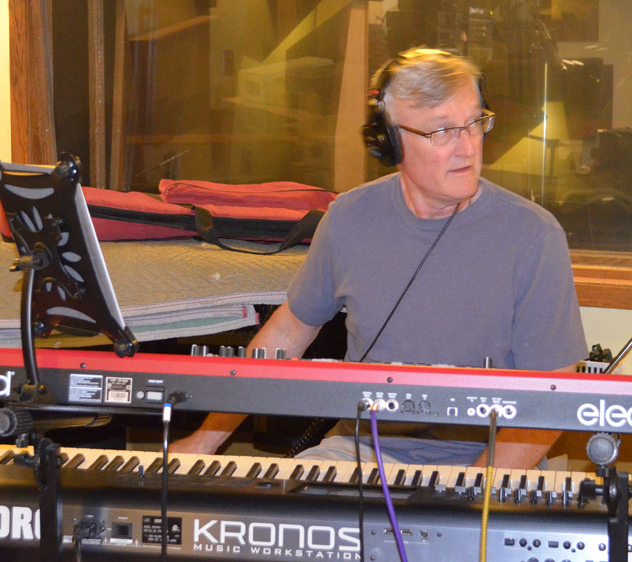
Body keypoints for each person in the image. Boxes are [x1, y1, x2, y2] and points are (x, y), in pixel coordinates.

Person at [171, 48, 587, 469]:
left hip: (492, 462)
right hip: (361, 449)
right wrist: (204, 441)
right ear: (390, 142)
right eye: (442, 130)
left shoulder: (533, 235)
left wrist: (470, 492)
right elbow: (287, 334)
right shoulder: (349, 217)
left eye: (475, 122)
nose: (467, 148)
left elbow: (551, 395)